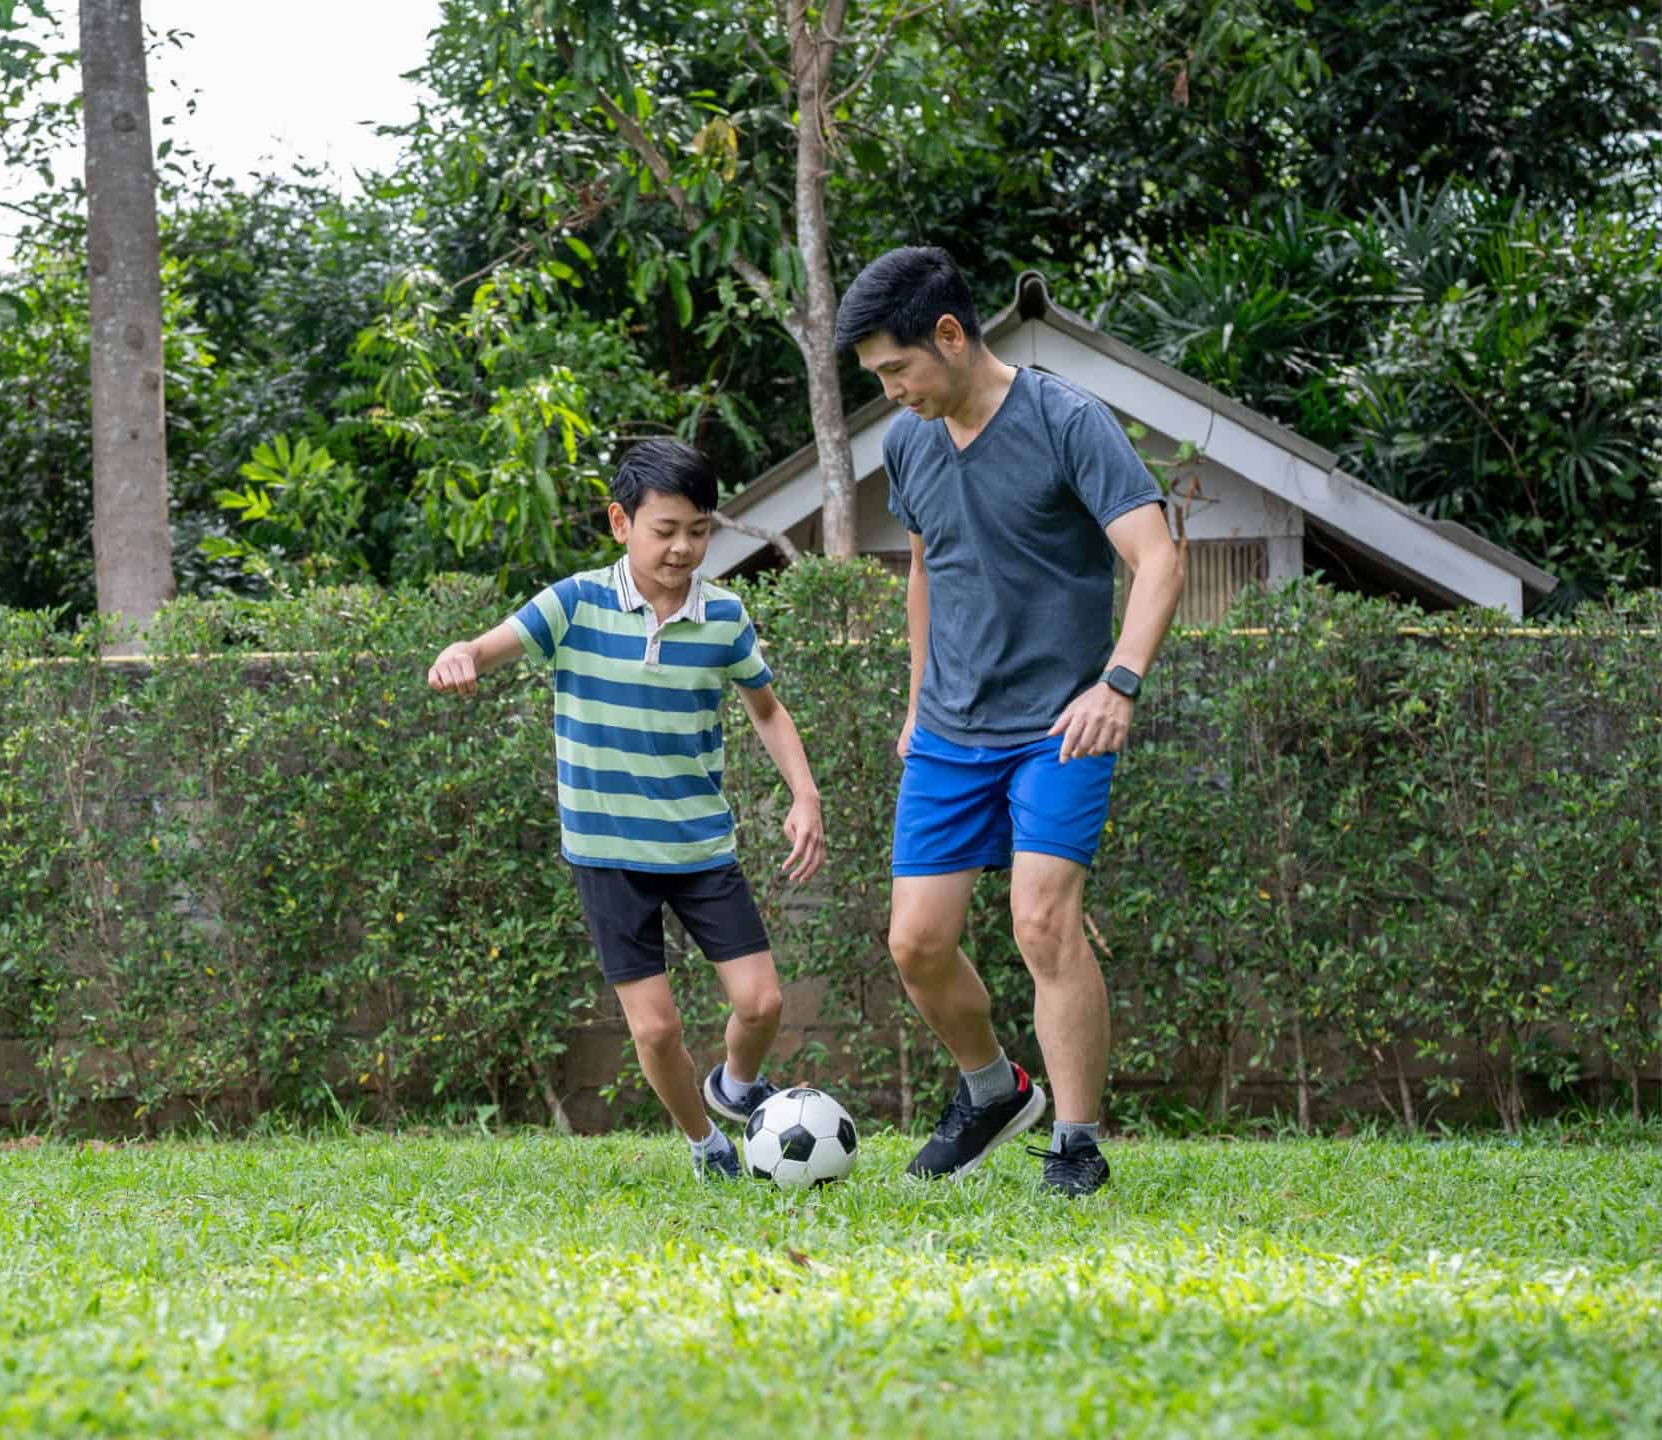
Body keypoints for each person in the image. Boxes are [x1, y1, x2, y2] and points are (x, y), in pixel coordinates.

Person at [836, 246, 1185, 1197]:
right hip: (950, 730)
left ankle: (1076, 1144)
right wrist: (915, 702)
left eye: (897, 369)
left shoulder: (1066, 421)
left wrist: (1117, 684)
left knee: (1041, 921)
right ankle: (994, 1090)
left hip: (1056, 726)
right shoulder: (908, 443)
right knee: (916, 943)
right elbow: (926, 569)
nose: (893, 391)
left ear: (949, 335)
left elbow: (1156, 558)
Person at [425, 439, 826, 1180]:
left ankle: (736, 1087)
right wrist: (461, 657)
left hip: (701, 849)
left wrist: (804, 794)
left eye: (698, 531)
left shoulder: (725, 618)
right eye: (664, 530)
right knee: (657, 1026)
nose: (682, 548)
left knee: (763, 1002)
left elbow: (767, 711)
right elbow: (488, 648)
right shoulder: (574, 604)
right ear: (621, 523)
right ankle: (707, 1145)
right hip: (609, 856)